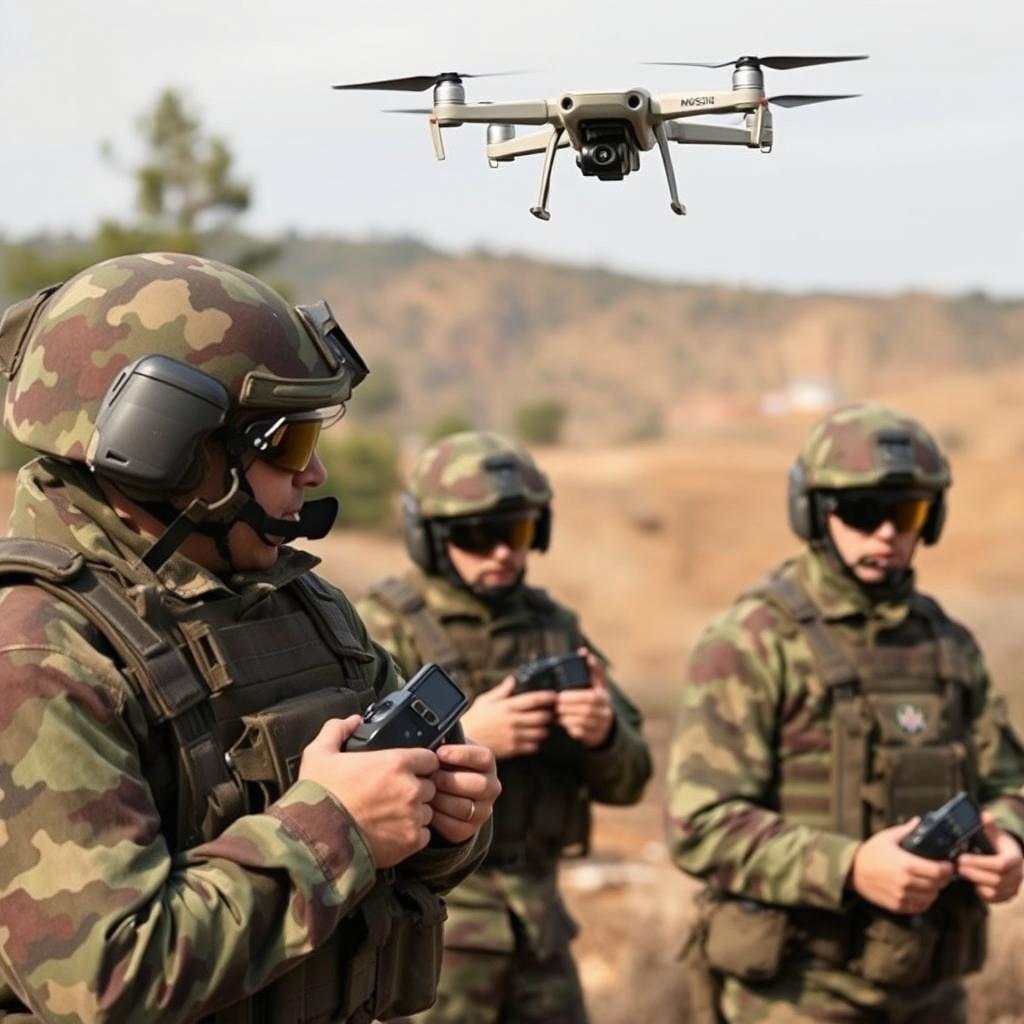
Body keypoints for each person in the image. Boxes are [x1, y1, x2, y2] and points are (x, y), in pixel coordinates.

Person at [0, 252, 500, 1024]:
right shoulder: (40, 654)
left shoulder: (306, 608)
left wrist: (446, 824)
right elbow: (103, 976)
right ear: (166, 450)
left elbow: (409, 851)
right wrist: (340, 828)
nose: (315, 472)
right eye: (288, 445)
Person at [666, 402, 1024, 1023]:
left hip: (932, 991)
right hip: (795, 994)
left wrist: (1008, 838)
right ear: (814, 513)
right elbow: (699, 823)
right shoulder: (752, 641)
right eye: (861, 512)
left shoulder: (948, 646)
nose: (886, 532)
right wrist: (850, 867)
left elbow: (1007, 783)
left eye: (906, 512)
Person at [356, 430, 652, 1024]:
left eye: (515, 532)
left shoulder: (554, 626)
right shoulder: (384, 628)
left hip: (540, 928)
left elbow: (632, 780)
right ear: (431, 538)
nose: (501, 553)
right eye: (477, 535)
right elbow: (349, 786)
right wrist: (470, 737)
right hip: (432, 932)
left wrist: (602, 736)